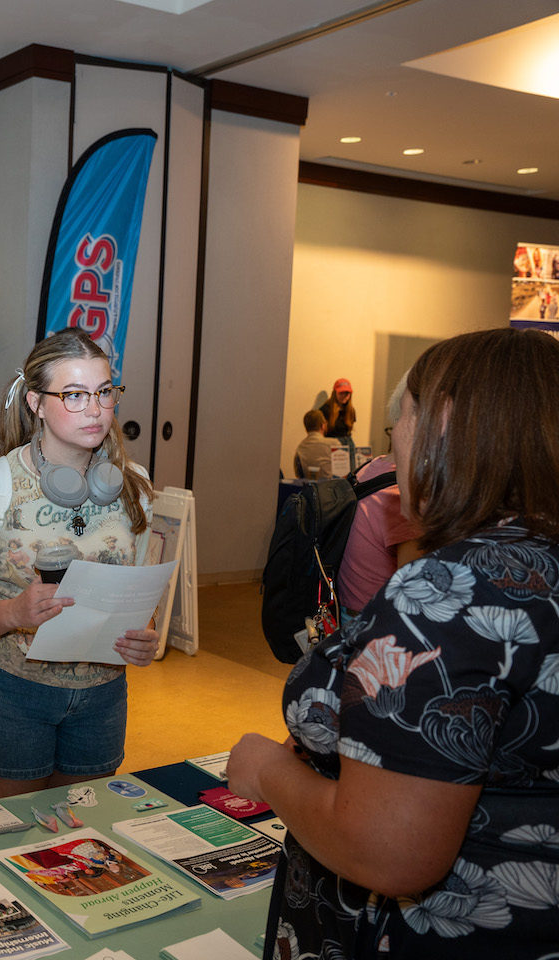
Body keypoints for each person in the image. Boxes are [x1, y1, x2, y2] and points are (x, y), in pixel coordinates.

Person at [228, 327, 559, 959]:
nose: (394, 450)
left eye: (395, 428)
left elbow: (389, 849)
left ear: (444, 422)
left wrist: (270, 772)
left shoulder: (447, 592)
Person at [0, 329, 162, 803]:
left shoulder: (134, 485)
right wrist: (12, 614)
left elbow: (140, 598)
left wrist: (145, 635)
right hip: (9, 693)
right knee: (6, 838)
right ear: (36, 403)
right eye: (74, 395)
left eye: (104, 393)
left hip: (102, 697)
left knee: (75, 848)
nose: (96, 409)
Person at [334, 374, 422, 623]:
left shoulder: (369, 468)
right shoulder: (399, 494)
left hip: (346, 610)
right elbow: (412, 589)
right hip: (373, 620)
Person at [292, 408, 338, 478]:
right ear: (323, 426)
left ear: (306, 428)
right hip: (329, 487)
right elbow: (343, 473)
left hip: (309, 487)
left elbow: (298, 474)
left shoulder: (300, 448)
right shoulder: (334, 444)